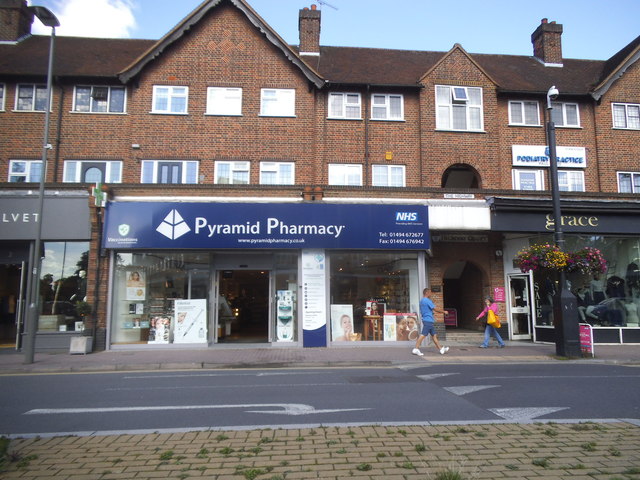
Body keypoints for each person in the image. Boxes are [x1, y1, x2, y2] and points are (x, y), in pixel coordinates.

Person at [413, 287, 449, 356]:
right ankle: (416, 349)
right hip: (428, 320)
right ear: (426, 293)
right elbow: (435, 309)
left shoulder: (421, 301)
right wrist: (444, 311)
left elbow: (425, 310)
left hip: (427, 320)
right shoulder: (427, 300)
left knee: (434, 336)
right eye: (430, 292)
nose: (431, 294)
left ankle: (441, 349)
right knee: (423, 335)